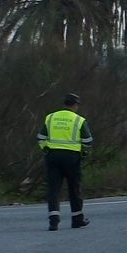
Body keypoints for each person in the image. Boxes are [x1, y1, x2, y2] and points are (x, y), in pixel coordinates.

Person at [37, 92, 91, 230]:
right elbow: (87, 141)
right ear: (75, 105)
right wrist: (83, 154)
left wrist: (46, 150)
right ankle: (77, 219)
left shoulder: (51, 117)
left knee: (53, 189)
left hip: (53, 156)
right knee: (74, 189)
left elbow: (41, 137)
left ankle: (53, 221)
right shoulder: (79, 120)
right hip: (72, 158)